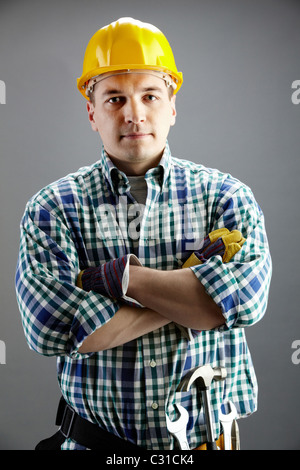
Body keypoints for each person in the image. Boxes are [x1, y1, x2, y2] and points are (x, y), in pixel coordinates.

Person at [15, 17, 272, 451]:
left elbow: (245, 302)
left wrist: (122, 280)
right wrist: (196, 291)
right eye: (114, 98)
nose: (134, 114)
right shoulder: (53, 208)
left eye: (149, 95)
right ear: (92, 111)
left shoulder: (226, 197)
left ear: (172, 106)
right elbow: (53, 328)